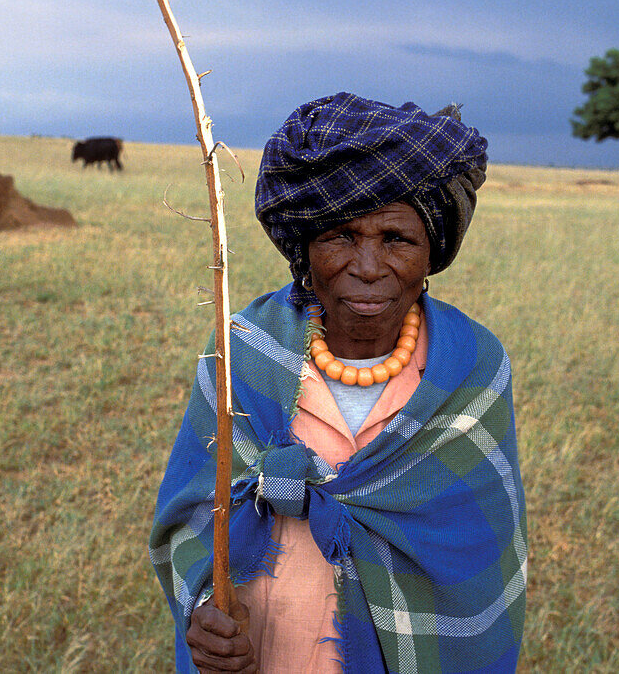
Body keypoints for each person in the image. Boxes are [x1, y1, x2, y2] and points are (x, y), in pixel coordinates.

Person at [150, 92, 527, 673]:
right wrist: (205, 605)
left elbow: (480, 557)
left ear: (432, 251)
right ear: (305, 249)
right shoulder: (243, 349)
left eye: (396, 239)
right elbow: (194, 509)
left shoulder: (472, 369)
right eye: (340, 236)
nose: (369, 266)